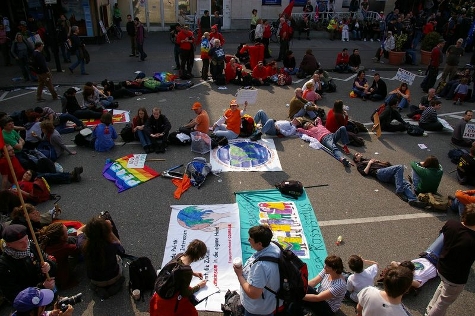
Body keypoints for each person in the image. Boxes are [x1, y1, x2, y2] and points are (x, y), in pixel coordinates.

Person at [425, 205, 475, 316]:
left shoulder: (451, 224)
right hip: (455, 277)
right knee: (443, 303)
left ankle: (429, 310)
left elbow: (441, 236)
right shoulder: (472, 239)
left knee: (442, 287)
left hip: (442, 266)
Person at [0, 224, 57, 303]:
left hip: (48, 293)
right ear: (9, 244)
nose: (25, 244)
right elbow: (14, 296)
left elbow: (51, 262)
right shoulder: (4, 265)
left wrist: (49, 266)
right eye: (20, 242)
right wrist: (41, 287)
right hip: (32, 304)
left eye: (26, 239)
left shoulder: (32, 246)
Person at [150, 239, 208, 316]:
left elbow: (177, 269)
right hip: (170, 299)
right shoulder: (186, 272)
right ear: (198, 257)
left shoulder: (179, 256)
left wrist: (193, 273)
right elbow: (185, 293)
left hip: (161, 290)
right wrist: (199, 286)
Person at [233, 225, 281, 316]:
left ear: (259, 244)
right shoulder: (274, 247)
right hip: (269, 303)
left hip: (258, 310)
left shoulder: (261, 266)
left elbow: (253, 294)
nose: (248, 241)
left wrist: (239, 275)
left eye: (250, 239)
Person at [353, 152, 427, 207]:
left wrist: (377, 161)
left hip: (386, 171)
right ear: (356, 159)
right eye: (357, 154)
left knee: (405, 183)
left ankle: (413, 200)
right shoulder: (359, 164)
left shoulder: (366, 159)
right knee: (399, 167)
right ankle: (399, 191)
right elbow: (364, 172)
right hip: (379, 173)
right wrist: (369, 163)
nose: (359, 154)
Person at [78, 216, 125, 299]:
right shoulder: (112, 246)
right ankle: (115, 285)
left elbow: (79, 231)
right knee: (119, 258)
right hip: (114, 277)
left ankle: (97, 288)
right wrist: (110, 231)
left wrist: (91, 225)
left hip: (95, 280)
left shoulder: (83, 245)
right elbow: (121, 249)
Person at [0, 144, 83, 191]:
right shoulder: (3, 162)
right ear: (4, 154)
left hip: (27, 174)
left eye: (12, 149)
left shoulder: (13, 156)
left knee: (46, 172)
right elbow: (5, 178)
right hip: (23, 180)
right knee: (46, 176)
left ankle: (69, 175)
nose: (12, 151)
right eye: (10, 150)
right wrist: (4, 192)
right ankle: (71, 176)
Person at [38, 222, 81, 289]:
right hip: (60, 278)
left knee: (71, 238)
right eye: (66, 231)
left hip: (51, 272)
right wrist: (80, 232)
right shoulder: (64, 247)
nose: (67, 232)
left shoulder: (46, 242)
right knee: (79, 253)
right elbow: (79, 248)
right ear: (61, 237)